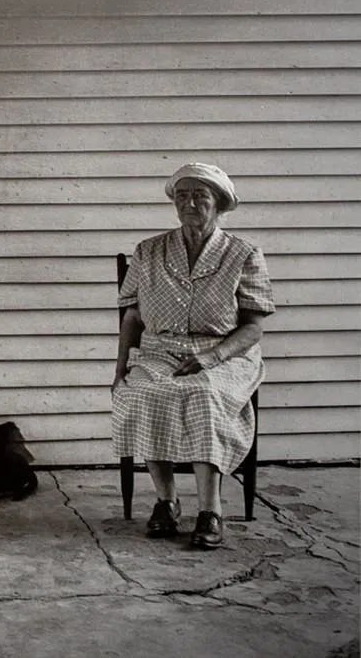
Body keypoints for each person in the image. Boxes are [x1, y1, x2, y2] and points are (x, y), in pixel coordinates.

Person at [111, 163, 274, 549]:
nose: (189, 203)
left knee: (204, 395)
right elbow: (132, 316)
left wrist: (213, 357)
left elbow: (253, 326)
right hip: (159, 350)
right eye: (182, 195)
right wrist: (119, 371)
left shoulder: (243, 254)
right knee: (142, 393)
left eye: (200, 196)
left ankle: (210, 510)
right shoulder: (148, 251)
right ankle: (167, 502)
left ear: (219, 204)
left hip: (222, 354)